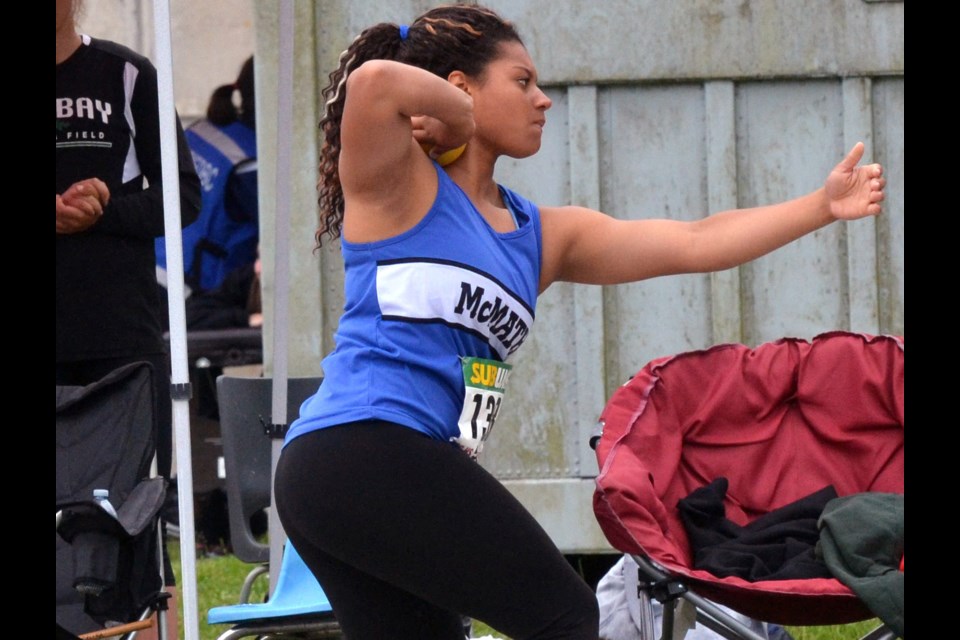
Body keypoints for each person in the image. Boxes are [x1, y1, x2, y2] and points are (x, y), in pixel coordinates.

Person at [273, 4, 886, 639]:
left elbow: (695, 240)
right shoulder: (398, 186)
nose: (543, 101)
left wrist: (819, 206)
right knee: (565, 618)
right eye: (522, 81)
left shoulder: (544, 236)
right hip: (357, 448)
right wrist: (460, 119)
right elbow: (373, 82)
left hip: (368, 472)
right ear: (460, 87)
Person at [56, 0, 201, 636]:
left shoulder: (127, 74)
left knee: (127, 516)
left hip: (120, 339)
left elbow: (184, 199)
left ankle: (141, 627)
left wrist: (107, 206)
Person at [156, 55, 259, 295]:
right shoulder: (249, 162)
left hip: (154, 263)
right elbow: (285, 236)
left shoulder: (202, 130)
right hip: (188, 289)